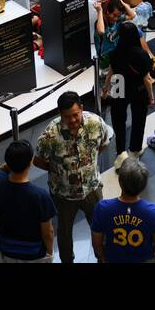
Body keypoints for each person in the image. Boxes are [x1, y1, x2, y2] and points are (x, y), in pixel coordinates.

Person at [33, 92, 109, 264]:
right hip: (63, 194)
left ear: (81, 108)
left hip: (92, 188)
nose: (73, 120)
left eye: (75, 114)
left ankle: (102, 257)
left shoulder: (95, 123)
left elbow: (103, 144)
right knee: (64, 232)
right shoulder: (50, 135)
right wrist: (58, 171)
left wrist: (89, 164)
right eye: (67, 117)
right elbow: (38, 160)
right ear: (60, 114)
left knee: (100, 226)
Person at [90, 158, 155, 264]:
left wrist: (103, 258)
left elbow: (96, 244)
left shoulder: (102, 208)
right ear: (143, 185)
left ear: (120, 182)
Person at [0, 139, 56, 262]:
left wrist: (9, 166)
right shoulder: (40, 196)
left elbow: (1, 171)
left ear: (8, 162)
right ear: (31, 163)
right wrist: (49, 252)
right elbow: (48, 232)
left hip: (7, 248)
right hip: (33, 253)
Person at [108, 22, 154, 162]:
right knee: (139, 118)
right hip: (138, 87)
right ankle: (135, 149)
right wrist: (151, 96)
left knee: (118, 119)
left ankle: (121, 151)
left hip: (118, 84)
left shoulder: (115, 52)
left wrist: (105, 88)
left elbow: (111, 70)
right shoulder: (141, 54)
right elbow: (146, 79)